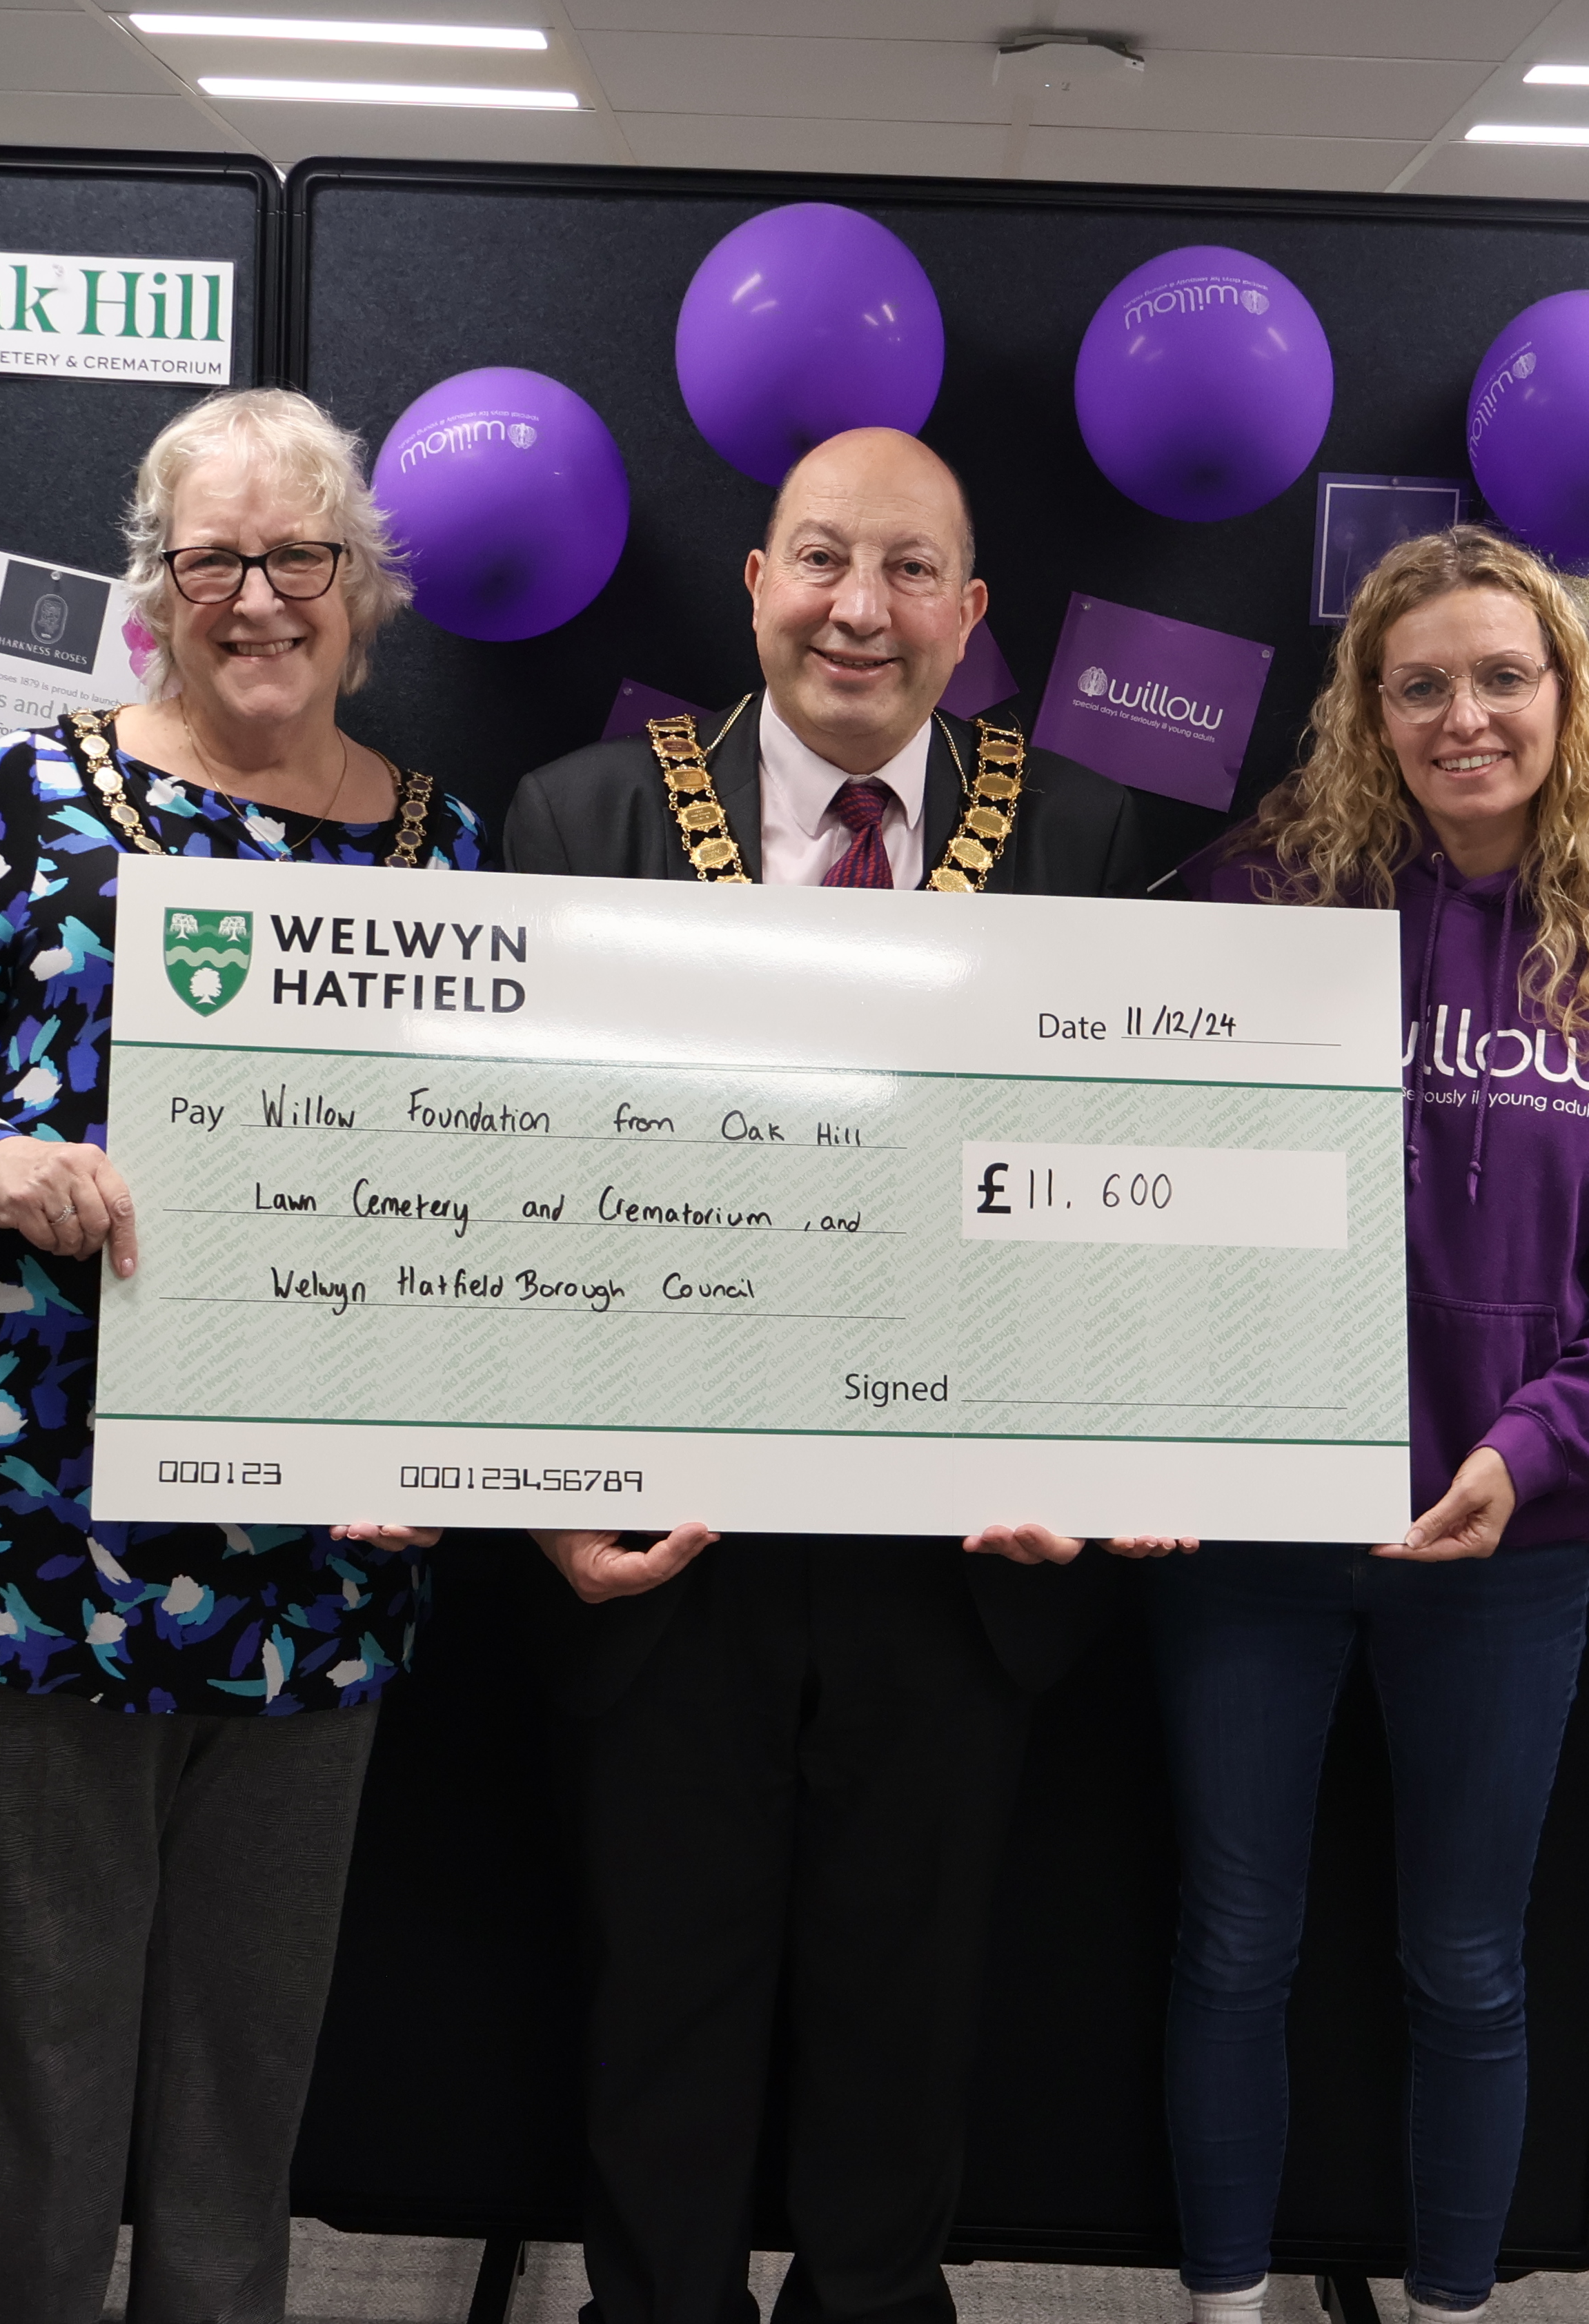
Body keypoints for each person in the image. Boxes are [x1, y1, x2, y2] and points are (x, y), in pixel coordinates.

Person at [0, 386, 460, 2324]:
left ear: (362, 584)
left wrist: (451, 1443)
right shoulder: (31, 800)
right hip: (31, 1536)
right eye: (212, 560)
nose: (258, 596)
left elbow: (483, 1187)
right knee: (38, 2039)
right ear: (152, 589)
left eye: (299, 556)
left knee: (251, 2058)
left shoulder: (442, 846)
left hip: (319, 1562)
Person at [493, 424, 1159, 2324]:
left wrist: (1093, 1459)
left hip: (953, 1566)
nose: (858, 610)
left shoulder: (1089, 840)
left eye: (906, 572)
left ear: (970, 615)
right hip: (664, 1553)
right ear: (754, 584)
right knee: (662, 2013)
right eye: (819, 560)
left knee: (913, 2014)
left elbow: (1123, 1199)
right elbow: (500, 1189)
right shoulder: (580, 818)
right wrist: (534, 1495)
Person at [1145, 526, 1589, 2321]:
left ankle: (1456, 2300)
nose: (1465, 716)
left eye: (1505, 677)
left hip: (1504, 1548)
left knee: (1471, 1964)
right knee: (1235, 1944)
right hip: (1250, 1548)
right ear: (1368, 710)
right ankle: (1224, 2300)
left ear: (1572, 700)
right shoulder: (1254, 910)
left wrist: (1529, 1458)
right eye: (1422, 685)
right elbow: (1138, 1190)